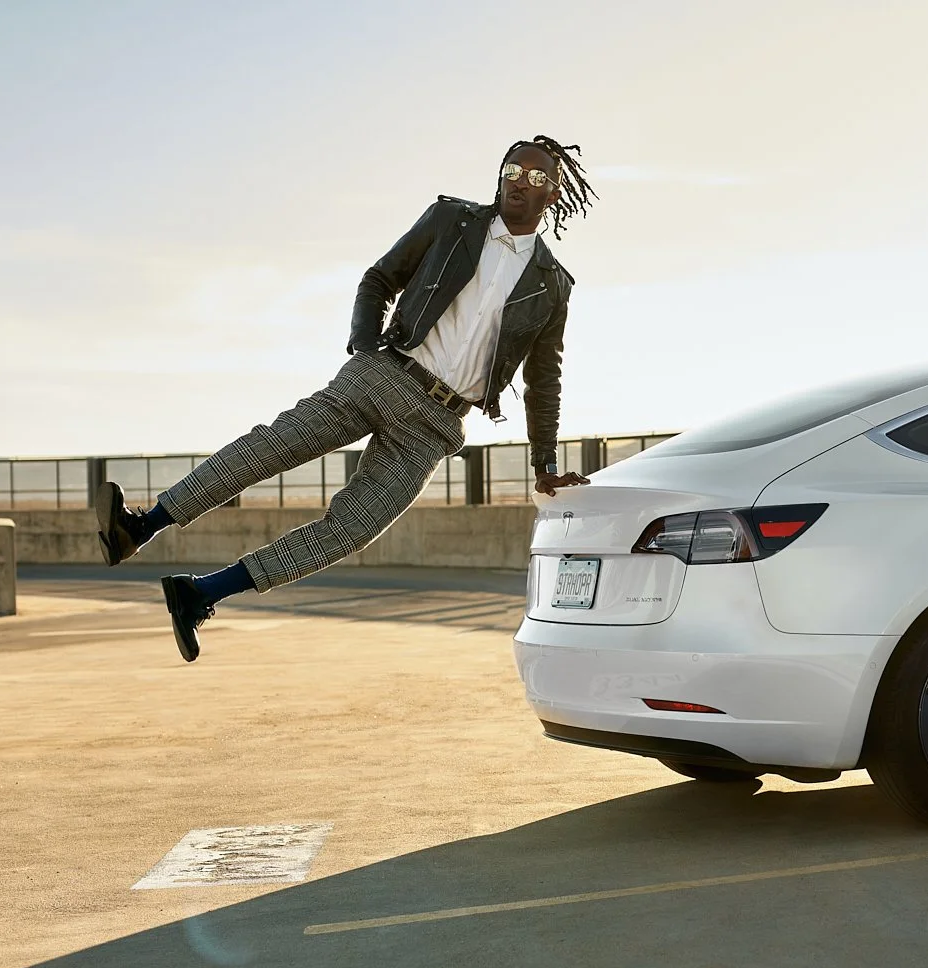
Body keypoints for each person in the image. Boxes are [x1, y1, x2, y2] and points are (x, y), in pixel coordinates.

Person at [95, 136, 595, 662]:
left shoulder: (552, 284)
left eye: (537, 177)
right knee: (277, 446)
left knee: (353, 529)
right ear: (500, 173)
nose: (521, 181)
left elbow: (544, 380)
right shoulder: (452, 221)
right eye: (514, 169)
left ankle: (201, 592)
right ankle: (141, 525)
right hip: (385, 373)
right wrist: (365, 342)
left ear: (553, 192)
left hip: (438, 426)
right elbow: (380, 278)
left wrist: (544, 462)